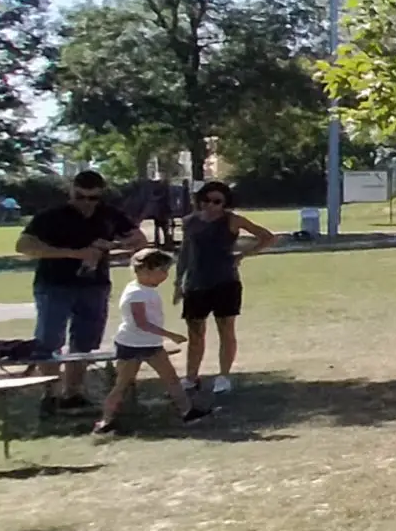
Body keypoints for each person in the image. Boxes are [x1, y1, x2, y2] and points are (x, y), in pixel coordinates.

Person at [14, 170, 147, 414]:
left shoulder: (109, 215)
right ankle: (50, 394)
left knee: (85, 341)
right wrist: (74, 253)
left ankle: (72, 393)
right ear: (71, 192)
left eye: (93, 198)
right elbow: (24, 245)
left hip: (95, 286)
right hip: (54, 285)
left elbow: (139, 239)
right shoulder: (52, 216)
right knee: (49, 340)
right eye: (80, 196)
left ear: (101, 195)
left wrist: (112, 245)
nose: (86, 203)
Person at [92, 249, 211, 435]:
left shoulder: (146, 290)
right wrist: (170, 335)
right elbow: (141, 323)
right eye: (162, 271)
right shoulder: (136, 293)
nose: (165, 276)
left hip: (151, 344)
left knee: (171, 378)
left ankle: (188, 412)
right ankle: (105, 422)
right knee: (122, 384)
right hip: (131, 346)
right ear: (146, 270)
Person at [175, 180, 276, 396]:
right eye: (206, 200)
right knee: (195, 332)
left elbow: (267, 237)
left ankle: (223, 376)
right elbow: (185, 253)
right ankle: (191, 378)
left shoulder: (233, 220)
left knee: (226, 330)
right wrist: (178, 282)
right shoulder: (190, 221)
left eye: (217, 201)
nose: (211, 205)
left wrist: (243, 255)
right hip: (195, 283)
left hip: (226, 282)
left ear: (225, 203)